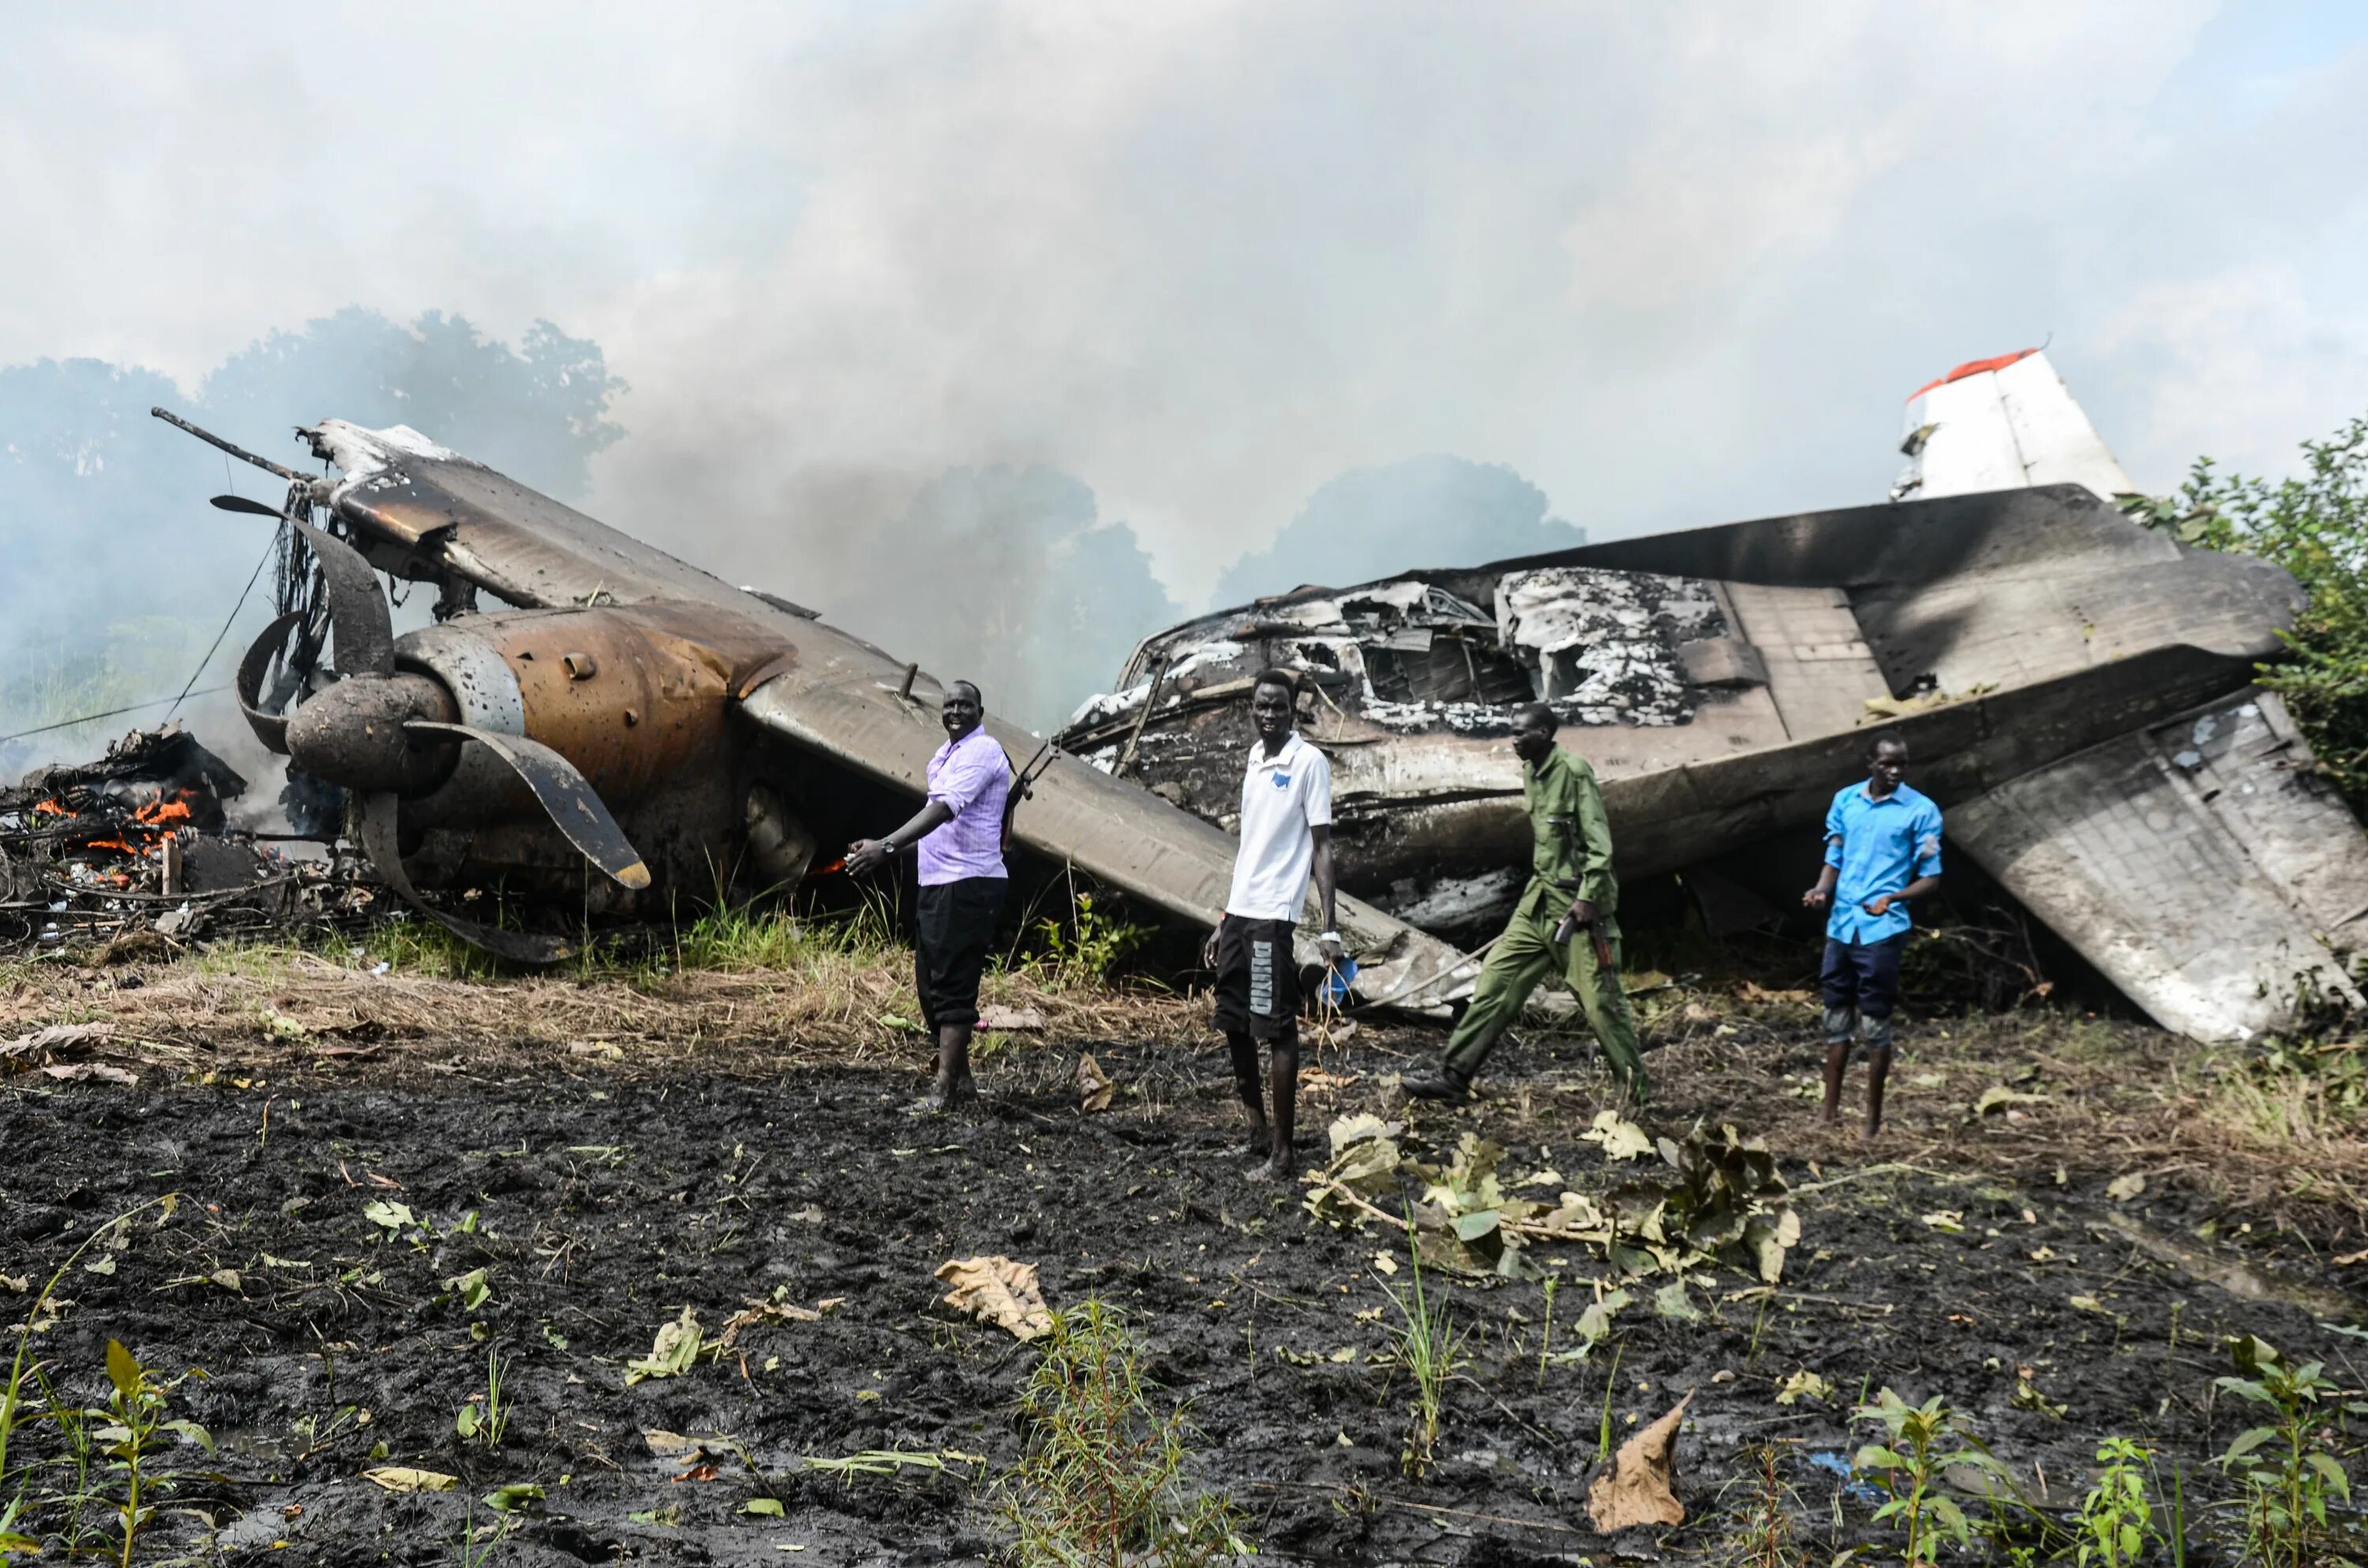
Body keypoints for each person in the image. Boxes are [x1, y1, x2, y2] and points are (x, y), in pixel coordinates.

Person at [1404, 703, 1645, 1106]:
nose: (1514, 740)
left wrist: (1588, 898)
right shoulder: (1532, 772)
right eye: (1512, 732)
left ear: (1547, 734)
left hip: (1577, 910)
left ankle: (1636, 1094)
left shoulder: (1573, 772)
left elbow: (1599, 844)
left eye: (1523, 733)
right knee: (1494, 984)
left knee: (1602, 1005)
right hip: (1538, 903)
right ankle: (1455, 1077)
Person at [847, 679, 1010, 1113]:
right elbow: (944, 827)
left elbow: (942, 810)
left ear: (981, 710)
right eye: (950, 704)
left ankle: (943, 1093)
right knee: (930, 985)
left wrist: (885, 846)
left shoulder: (981, 752)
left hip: (968, 883)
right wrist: (883, 845)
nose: (955, 711)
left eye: (965, 705)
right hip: (939, 882)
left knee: (953, 986)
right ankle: (963, 1084)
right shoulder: (947, 755)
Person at [1205, 669, 1344, 1178]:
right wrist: (1226, 917)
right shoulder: (1255, 758)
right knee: (1234, 1022)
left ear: (1293, 710)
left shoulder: (1309, 763)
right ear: (1251, 709)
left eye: (1279, 707)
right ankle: (1255, 1133)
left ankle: (1284, 1156)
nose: (1269, 715)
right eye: (1261, 707)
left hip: (1273, 919)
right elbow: (1252, 849)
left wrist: (1329, 927)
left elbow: (1322, 847)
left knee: (1276, 1029)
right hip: (1242, 914)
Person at [1800, 731, 1942, 1140]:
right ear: (1870, 763)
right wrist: (1821, 890)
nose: (1895, 771)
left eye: (1902, 764)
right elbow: (1835, 857)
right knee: (1835, 1014)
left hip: (1882, 930)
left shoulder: (1922, 811)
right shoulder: (1846, 801)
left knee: (1876, 1022)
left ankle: (1872, 1122)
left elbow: (1931, 877)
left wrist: (1893, 898)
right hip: (1842, 925)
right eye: (1887, 764)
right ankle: (1828, 1114)